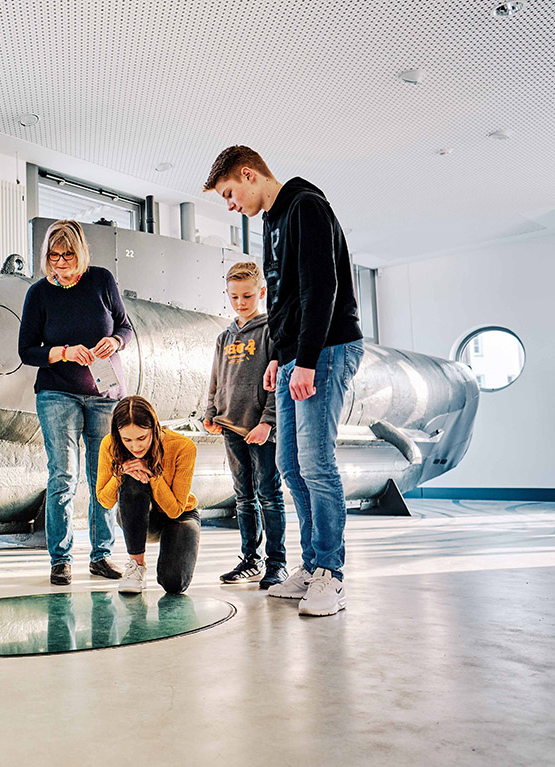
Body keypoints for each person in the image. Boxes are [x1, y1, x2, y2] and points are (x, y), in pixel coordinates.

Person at [205, 146, 363, 616]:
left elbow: (321, 288)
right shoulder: (272, 221)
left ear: (249, 175)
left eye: (230, 193)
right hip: (296, 355)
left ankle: (331, 574)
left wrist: (307, 359)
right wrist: (279, 356)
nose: (231, 204)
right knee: (290, 464)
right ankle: (311, 567)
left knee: (316, 463)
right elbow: (284, 300)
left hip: (328, 348)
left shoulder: (305, 206)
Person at [18, 219, 134, 586]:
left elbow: (125, 327)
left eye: (68, 255)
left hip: (104, 396)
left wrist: (115, 342)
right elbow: (26, 351)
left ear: (81, 252)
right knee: (63, 476)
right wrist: (64, 352)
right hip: (57, 393)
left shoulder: (102, 281)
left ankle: (101, 556)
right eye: (54, 256)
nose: (61, 263)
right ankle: (61, 559)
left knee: (103, 476)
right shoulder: (38, 293)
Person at [203, 261, 287, 589]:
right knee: (243, 497)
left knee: (269, 495)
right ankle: (250, 560)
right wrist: (211, 412)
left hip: (261, 431)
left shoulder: (271, 331)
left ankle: (277, 563)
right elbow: (216, 378)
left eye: (247, 296)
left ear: (261, 293)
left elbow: (278, 382)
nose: (240, 302)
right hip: (230, 427)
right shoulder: (223, 337)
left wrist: (268, 423)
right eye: (234, 296)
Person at [96, 395, 199, 594]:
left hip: (179, 514)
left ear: (154, 427)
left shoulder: (183, 446)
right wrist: (122, 472)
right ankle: (136, 566)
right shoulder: (110, 444)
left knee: (174, 584)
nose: (135, 447)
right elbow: (105, 501)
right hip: (139, 513)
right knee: (131, 479)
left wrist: (152, 474)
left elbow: (175, 510)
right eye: (127, 440)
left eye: (141, 438)